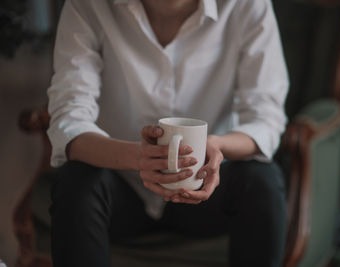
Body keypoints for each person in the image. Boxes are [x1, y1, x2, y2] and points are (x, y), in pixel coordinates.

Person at [47, 0, 289, 266]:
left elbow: (265, 118)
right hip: (121, 190)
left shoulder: (247, 5)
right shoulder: (88, 5)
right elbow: (69, 120)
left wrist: (216, 146)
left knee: (261, 180)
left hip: (207, 192)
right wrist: (139, 158)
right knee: (76, 180)